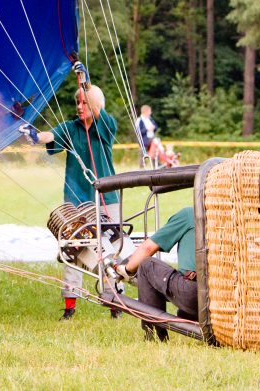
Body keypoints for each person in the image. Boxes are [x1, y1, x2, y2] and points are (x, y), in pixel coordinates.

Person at [19, 83, 118, 321]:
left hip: (106, 199)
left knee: (110, 251)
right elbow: (50, 135)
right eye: (77, 102)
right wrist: (34, 136)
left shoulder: (106, 125)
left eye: (84, 102)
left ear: (95, 104)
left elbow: (99, 114)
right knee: (72, 251)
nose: (80, 106)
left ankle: (116, 303)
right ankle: (70, 305)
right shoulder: (71, 128)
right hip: (75, 201)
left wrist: (85, 83)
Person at [114, 206, 196, 341]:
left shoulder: (190, 214)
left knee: (147, 265)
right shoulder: (235, 218)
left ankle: (155, 337)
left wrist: (127, 270)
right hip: (225, 299)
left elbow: (148, 248)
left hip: (194, 294)